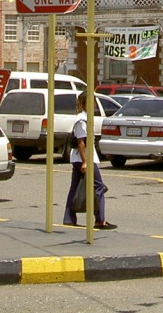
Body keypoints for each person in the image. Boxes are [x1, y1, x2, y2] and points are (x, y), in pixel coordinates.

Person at [63, 94, 115, 230]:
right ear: (84, 103)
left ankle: (69, 218)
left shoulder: (85, 118)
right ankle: (100, 220)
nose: (94, 105)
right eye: (91, 102)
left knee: (75, 187)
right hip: (84, 158)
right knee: (98, 187)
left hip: (81, 158)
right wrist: (85, 162)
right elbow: (81, 142)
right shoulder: (82, 120)